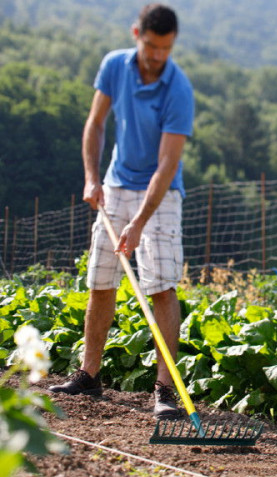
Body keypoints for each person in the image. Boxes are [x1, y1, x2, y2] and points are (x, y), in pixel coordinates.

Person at [49, 3, 195, 421]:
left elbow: (167, 166)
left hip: (160, 194)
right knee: (101, 279)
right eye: (151, 46)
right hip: (115, 184)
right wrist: (92, 178)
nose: (156, 56)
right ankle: (89, 375)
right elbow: (95, 124)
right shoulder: (115, 66)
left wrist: (139, 221)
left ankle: (165, 391)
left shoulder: (178, 90)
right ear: (137, 34)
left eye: (165, 48)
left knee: (161, 287)